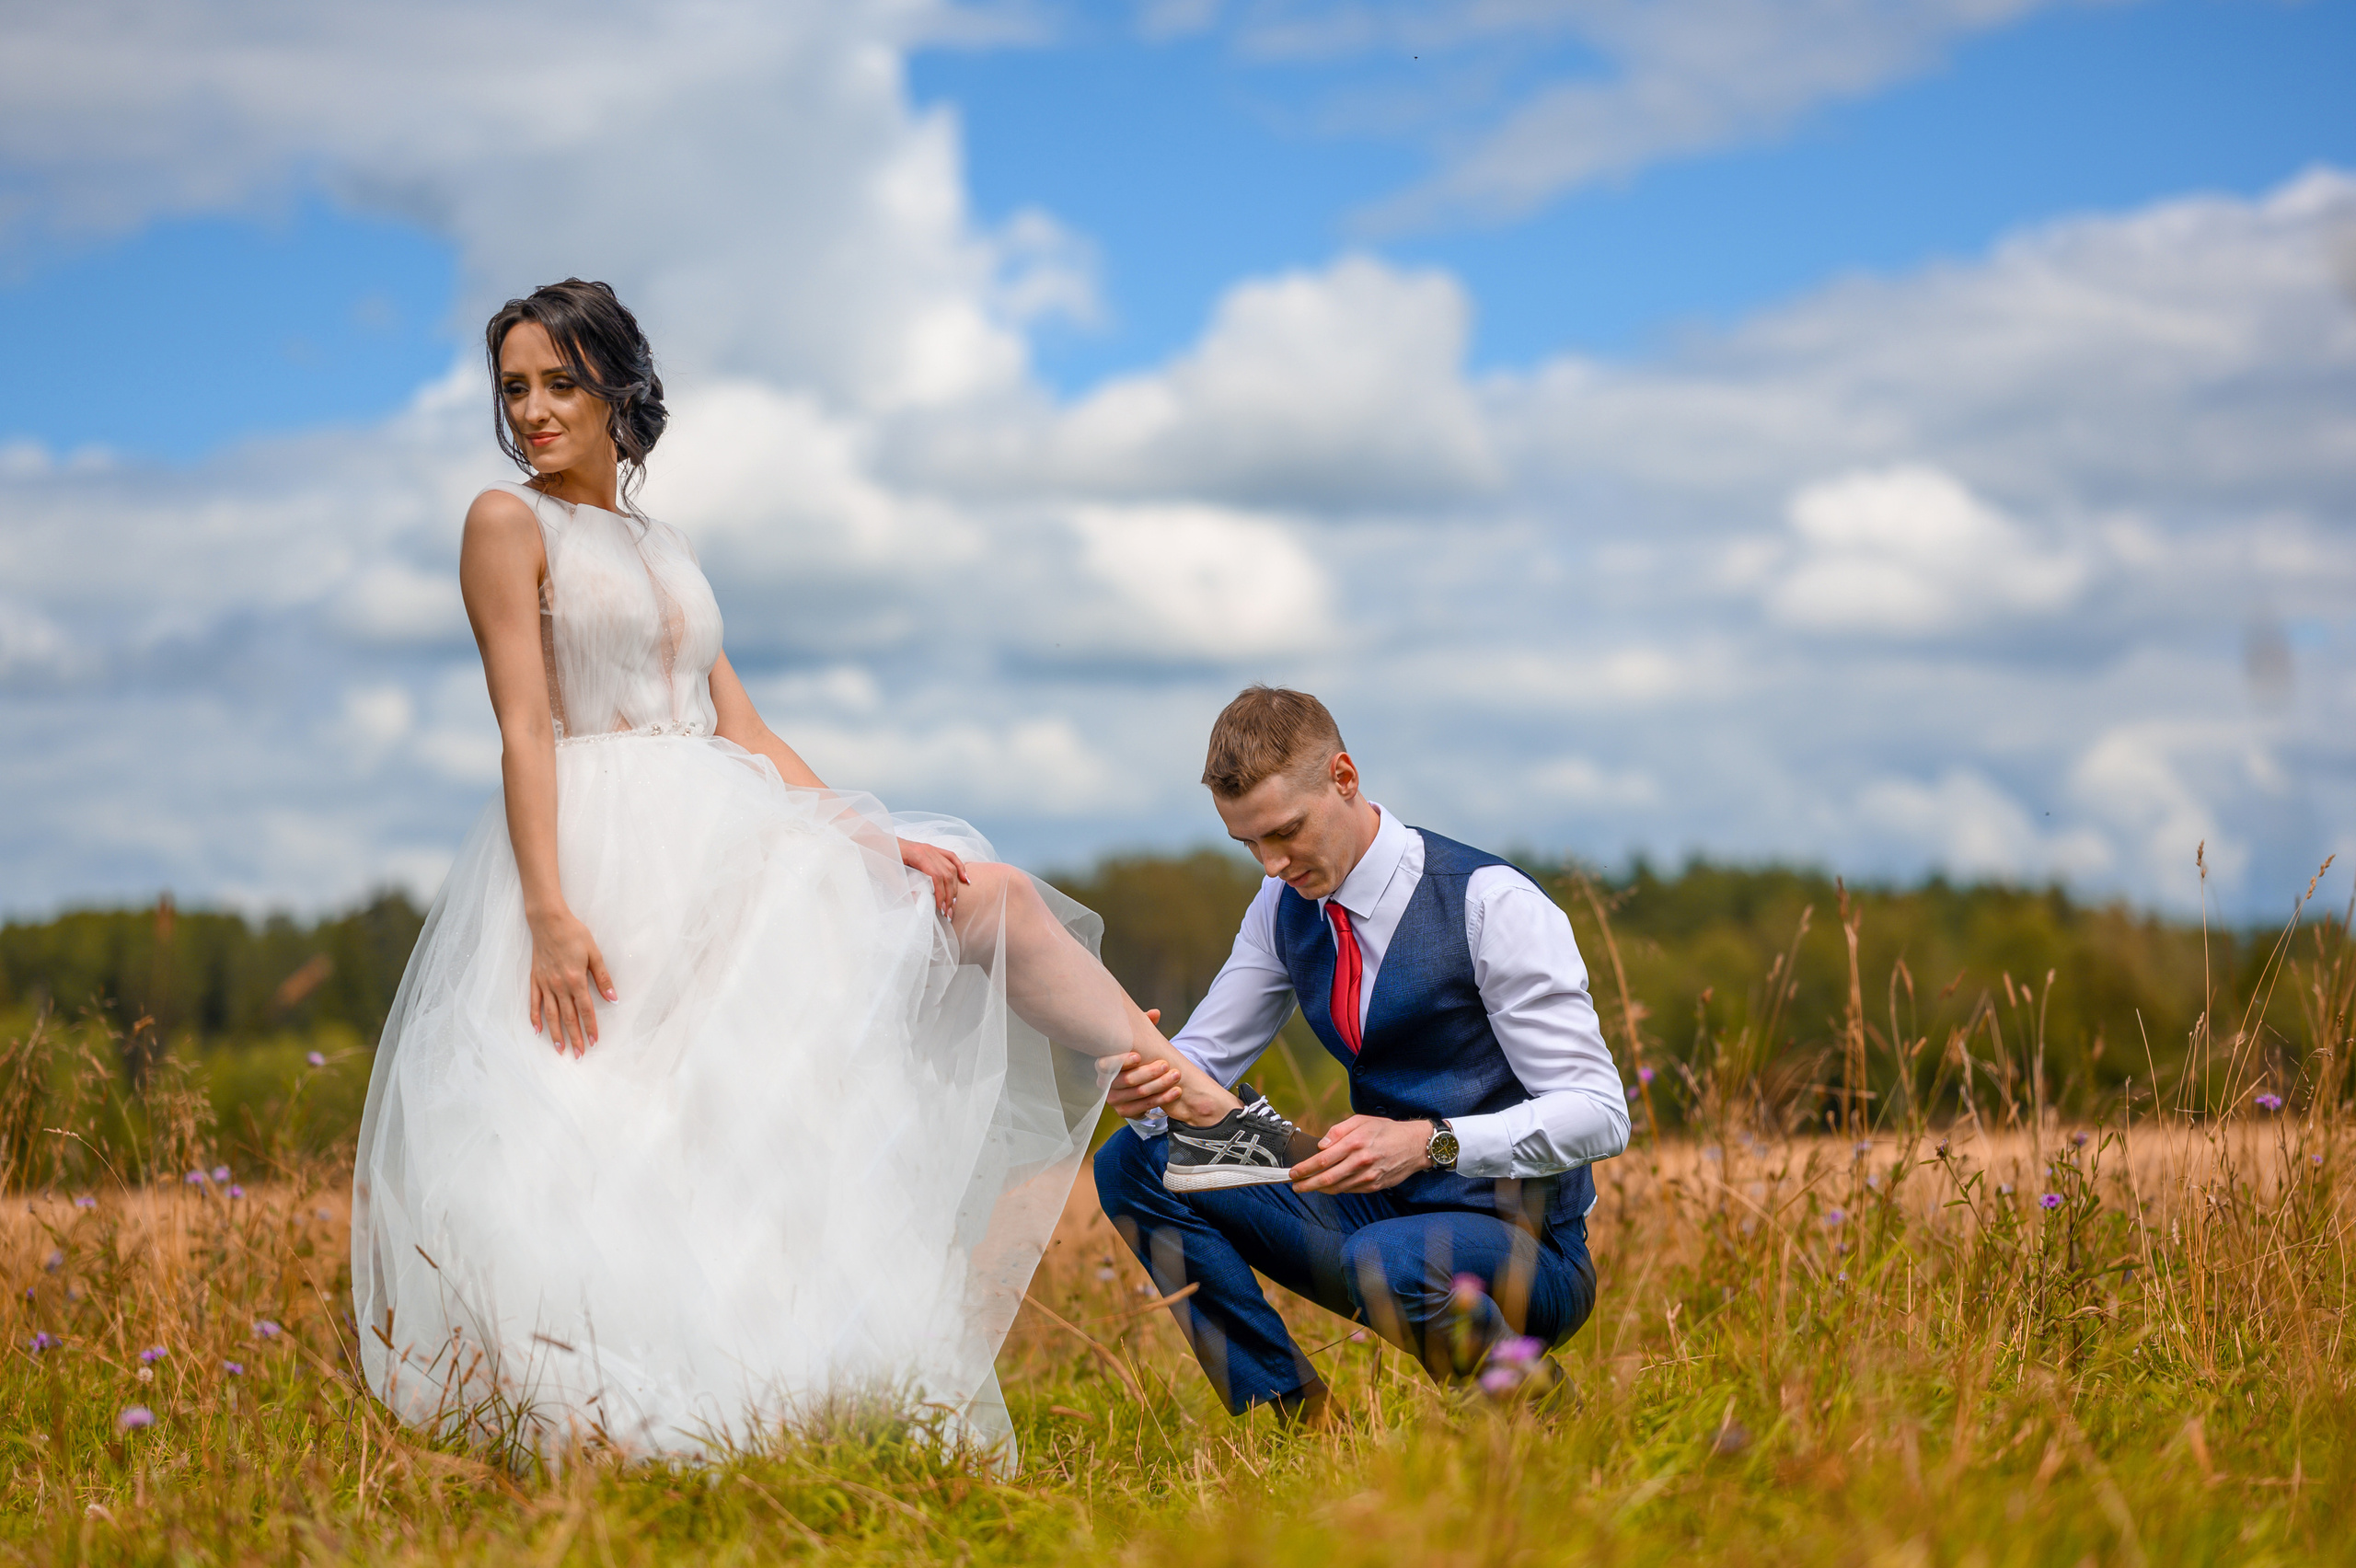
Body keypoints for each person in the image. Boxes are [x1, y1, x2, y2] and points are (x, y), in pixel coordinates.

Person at [351, 279, 1241, 1461]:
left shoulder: (663, 544)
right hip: (603, 848)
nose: (533, 411)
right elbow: (522, 727)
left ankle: (1185, 1095)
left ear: (617, 389)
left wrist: (872, 839)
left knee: (979, 897)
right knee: (640, 1125)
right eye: (515, 389)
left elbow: (745, 727)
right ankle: (658, 1405)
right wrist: (549, 910)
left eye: (560, 383)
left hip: (728, 827)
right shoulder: (505, 524)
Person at [1092, 686, 1630, 1420]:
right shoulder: (1281, 907)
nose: (1271, 864)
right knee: (1132, 1162)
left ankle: (1549, 1421)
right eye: (1248, 844)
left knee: (1392, 1259)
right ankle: (1299, 1419)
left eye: (1286, 832)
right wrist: (1149, 1084)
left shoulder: (1491, 903)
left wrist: (1430, 1143)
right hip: (1371, 1220)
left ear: (1343, 777)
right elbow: (1203, 1061)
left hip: (1526, 1253)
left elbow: (1600, 1115)